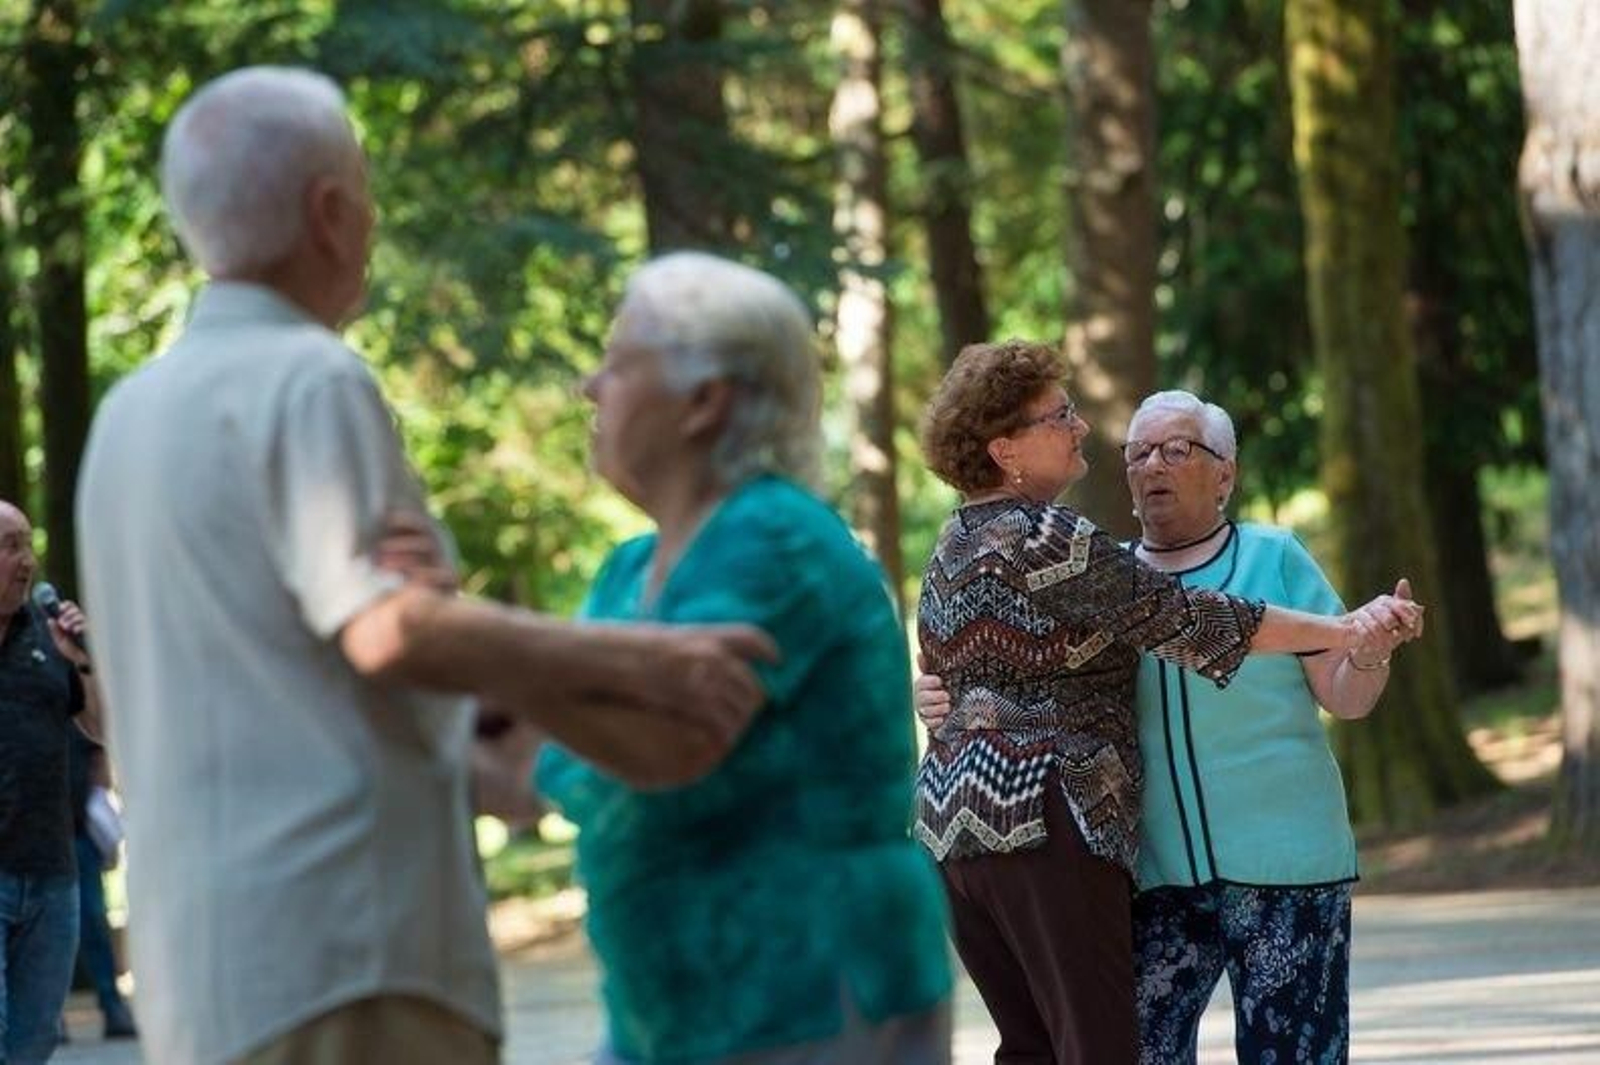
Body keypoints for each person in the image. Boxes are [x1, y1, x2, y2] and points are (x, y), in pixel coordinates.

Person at [75, 67, 778, 1065]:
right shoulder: (310, 377)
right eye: (365, 194)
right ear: (329, 212)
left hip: (202, 972)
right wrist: (647, 660)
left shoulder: (125, 417)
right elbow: (384, 629)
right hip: (351, 956)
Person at [911, 342, 1421, 1064]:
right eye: (1060, 417)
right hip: (1073, 835)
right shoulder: (1065, 545)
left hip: (967, 829)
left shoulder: (955, 542)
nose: (1082, 428)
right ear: (1005, 449)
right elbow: (1183, 619)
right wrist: (1344, 627)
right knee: (1104, 1048)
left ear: (1225, 473)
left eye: (1176, 449)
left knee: (1040, 1048)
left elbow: (959, 665)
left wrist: (1363, 646)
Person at [534, 252, 954, 1064]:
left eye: (617, 362)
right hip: (672, 1013)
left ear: (704, 401)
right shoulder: (628, 570)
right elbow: (527, 756)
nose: (590, 387)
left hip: (806, 995)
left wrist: (451, 638)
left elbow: (658, 738)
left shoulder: (774, 536)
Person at [0, 500, 102, 1063]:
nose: (27, 561)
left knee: (33, 1044)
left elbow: (102, 731)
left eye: (28, 545)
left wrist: (81, 660)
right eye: (10, 546)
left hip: (50, 874)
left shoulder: (50, 630)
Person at [66, 732, 137, 1042]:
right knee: (39, 930)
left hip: (78, 828)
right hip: (28, 832)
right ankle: (51, 1015)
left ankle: (112, 1004)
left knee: (93, 921)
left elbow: (97, 751)